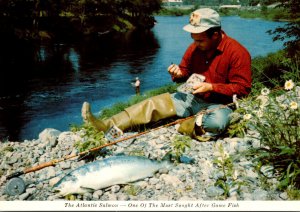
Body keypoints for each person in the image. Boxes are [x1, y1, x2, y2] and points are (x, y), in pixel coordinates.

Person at [81, 8, 252, 141]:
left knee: (216, 123)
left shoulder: (238, 52)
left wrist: (211, 87)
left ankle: (185, 125)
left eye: (200, 40)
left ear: (215, 35)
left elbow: (243, 89)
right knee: (151, 104)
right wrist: (178, 73)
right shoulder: (195, 47)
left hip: (217, 105)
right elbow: (184, 72)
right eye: (193, 39)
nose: (195, 43)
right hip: (191, 98)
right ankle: (107, 125)